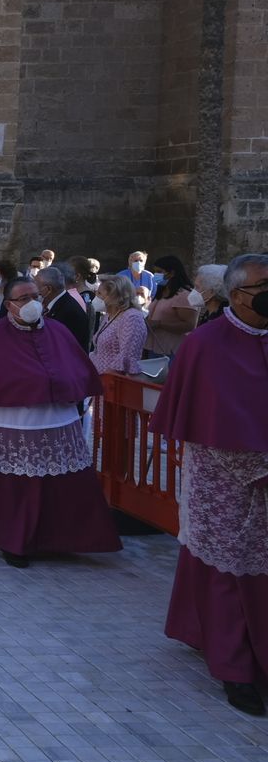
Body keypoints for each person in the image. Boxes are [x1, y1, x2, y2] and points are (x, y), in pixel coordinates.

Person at [152, 254, 268, 715]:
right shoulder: (205, 345)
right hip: (223, 482)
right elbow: (202, 419)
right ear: (238, 295)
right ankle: (234, 668)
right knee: (228, 573)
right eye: (263, 285)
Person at [0, 277, 121, 566]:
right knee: (13, 483)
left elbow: (76, 368)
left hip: (55, 418)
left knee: (61, 482)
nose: (32, 302)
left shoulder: (58, 331)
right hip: (9, 422)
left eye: (35, 295)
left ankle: (61, 537)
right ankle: (13, 540)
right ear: (9, 305)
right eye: (23, 298)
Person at [89, 273, 147, 376]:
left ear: (114, 296)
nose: (96, 297)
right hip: (99, 380)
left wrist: (106, 379)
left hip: (114, 384)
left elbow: (127, 357)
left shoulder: (131, 318)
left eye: (99, 293)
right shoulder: (110, 314)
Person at [144, 255, 198, 357]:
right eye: (155, 271)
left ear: (172, 273)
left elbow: (189, 325)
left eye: (159, 271)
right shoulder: (161, 291)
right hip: (154, 349)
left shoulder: (184, 295)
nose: (156, 274)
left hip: (172, 352)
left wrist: (160, 324)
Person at [36, 264, 91, 353]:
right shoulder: (59, 304)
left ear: (48, 289)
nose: (35, 291)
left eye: (36, 286)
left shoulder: (69, 311)